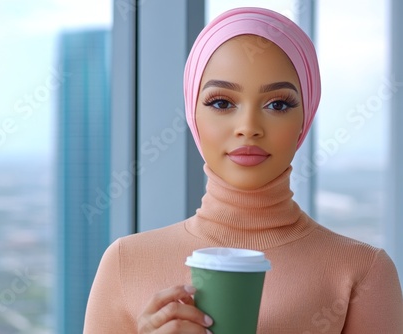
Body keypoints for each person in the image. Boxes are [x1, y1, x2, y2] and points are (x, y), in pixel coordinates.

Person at [83, 7, 403, 334]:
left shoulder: (363, 272)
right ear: (194, 115)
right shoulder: (125, 263)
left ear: (304, 119)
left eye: (278, 104)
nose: (248, 128)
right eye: (222, 103)